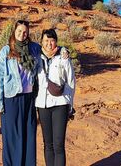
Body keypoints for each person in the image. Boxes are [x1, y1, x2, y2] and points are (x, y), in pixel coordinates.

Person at [0, 20, 41, 166]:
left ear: (28, 33)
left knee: (29, 134)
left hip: (29, 99)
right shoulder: (6, 51)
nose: (22, 34)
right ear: (14, 32)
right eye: (19, 31)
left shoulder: (34, 48)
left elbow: (49, 48)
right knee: (12, 137)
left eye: (25, 32)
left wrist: (64, 50)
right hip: (11, 99)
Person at [35, 29, 76, 166]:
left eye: (52, 40)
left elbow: (70, 81)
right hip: (43, 104)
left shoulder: (63, 57)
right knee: (48, 144)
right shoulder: (36, 57)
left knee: (58, 145)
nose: (49, 44)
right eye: (46, 40)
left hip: (60, 103)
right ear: (41, 42)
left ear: (56, 42)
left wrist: (70, 105)